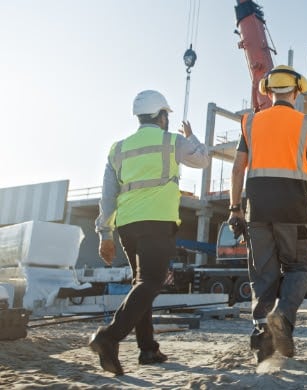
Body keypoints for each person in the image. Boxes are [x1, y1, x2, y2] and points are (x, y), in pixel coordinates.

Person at [91, 90, 209, 375]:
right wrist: (191, 137)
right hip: (156, 222)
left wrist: (104, 233)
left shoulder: (118, 148)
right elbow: (203, 160)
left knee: (141, 285)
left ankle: (148, 349)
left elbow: (108, 196)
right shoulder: (172, 141)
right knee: (151, 282)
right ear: (163, 116)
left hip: (127, 225)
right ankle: (109, 337)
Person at [229, 65, 307, 363]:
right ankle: (283, 316)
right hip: (294, 209)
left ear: (268, 90)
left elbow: (238, 168)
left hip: (258, 210)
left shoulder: (250, 122)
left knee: (264, 277)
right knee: (298, 270)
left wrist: (235, 208)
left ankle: (263, 345)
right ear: (297, 90)